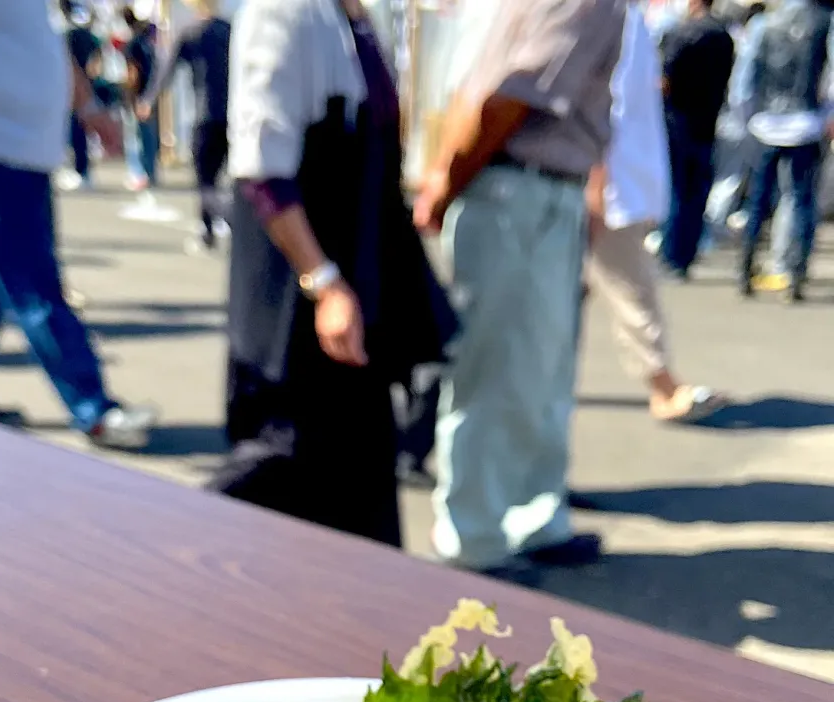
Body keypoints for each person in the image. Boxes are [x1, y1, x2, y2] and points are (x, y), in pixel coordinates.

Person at [218, 0, 455, 547]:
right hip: (299, 293)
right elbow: (262, 166)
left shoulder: (352, 19)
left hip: (359, 281)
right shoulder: (286, 13)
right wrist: (323, 282)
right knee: (284, 458)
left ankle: (366, 615)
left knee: (361, 470)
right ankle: (155, 565)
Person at [414, 0, 626, 575]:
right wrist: (448, 182)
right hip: (519, 190)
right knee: (500, 370)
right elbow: (507, 98)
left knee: (540, 369)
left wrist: (446, 178)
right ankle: (474, 534)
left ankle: (532, 515)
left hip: (535, 188)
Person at [0, 0, 156, 447]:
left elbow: (46, 42)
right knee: (34, 285)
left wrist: (90, 109)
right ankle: (93, 407)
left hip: (18, 148)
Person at [587, 0, 725, 424]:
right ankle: (663, 385)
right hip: (612, 181)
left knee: (569, 291)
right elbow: (606, 102)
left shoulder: (626, 18)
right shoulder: (613, 16)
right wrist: (599, 177)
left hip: (618, 178)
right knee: (631, 286)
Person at [733, 0, 834, 302]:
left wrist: (746, 116)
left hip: (765, 122)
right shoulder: (824, 21)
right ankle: (795, 274)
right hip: (806, 122)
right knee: (802, 199)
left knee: (758, 200)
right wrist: (828, 114)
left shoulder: (765, 23)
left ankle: (746, 267)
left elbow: (745, 76)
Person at [138, 0, 230, 249]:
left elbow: (166, 69)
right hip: (233, 116)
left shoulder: (189, 31)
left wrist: (149, 100)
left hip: (204, 114)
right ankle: (215, 226)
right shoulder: (230, 30)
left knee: (205, 179)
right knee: (227, 176)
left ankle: (215, 225)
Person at [659, 0, 735, 278]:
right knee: (697, 190)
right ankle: (686, 253)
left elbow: (666, 79)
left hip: (678, 119)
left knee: (677, 188)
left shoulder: (680, 33)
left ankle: (671, 253)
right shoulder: (723, 37)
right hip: (707, 119)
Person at [60, 0, 101, 190]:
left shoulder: (67, 35)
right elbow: (96, 61)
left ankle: (80, 172)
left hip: (72, 89)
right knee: (81, 133)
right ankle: (82, 172)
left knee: (75, 133)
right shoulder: (87, 35)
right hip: (86, 87)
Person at [121, 5, 158, 191]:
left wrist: (129, 94)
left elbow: (132, 73)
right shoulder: (148, 42)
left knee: (135, 138)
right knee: (149, 137)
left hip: (137, 95)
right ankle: (151, 174)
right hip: (150, 94)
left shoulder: (132, 44)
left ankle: (139, 174)